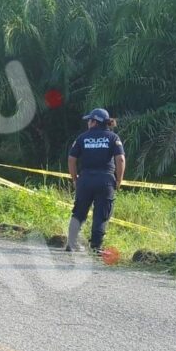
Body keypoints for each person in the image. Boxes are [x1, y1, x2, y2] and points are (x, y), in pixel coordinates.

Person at [66, 108, 126, 252]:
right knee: (101, 213)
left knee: (79, 212)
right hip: (105, 180)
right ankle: (96, 247)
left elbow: (71, 159)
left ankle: (71, 243)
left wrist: (75, 179)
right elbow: (121, 159)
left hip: (85, 179)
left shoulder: (82, 138)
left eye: (89, 120)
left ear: (95, 122)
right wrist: (119, 180)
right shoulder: (113, 138)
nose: (88, 122)